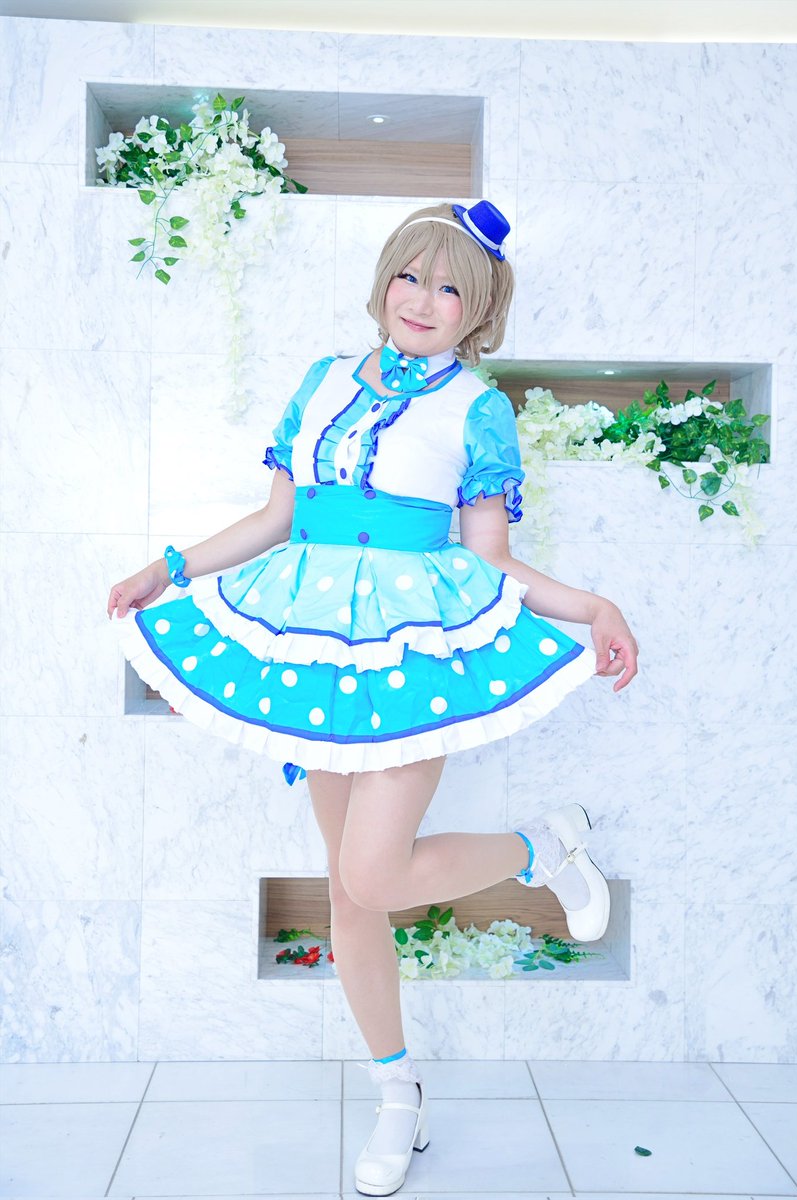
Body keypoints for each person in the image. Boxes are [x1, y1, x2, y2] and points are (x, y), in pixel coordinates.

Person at [107, 199, 638, 1196]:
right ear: (384, 280)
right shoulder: (320, 381)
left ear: (479, 310)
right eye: (410, 275)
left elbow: (490, 560)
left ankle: (539, 850)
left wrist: (591, 605)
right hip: (311, 647)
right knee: (350, 892)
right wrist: (165, 568)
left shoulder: (476, 408)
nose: (423, 299)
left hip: (407, 656)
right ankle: (399, 1092)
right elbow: (275, 518)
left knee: (374, 872)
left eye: (450, 288)